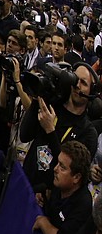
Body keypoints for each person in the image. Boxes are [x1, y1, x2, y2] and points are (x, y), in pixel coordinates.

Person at [19, 62, 99, 194]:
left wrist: (50, 130)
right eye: (75, 79)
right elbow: (25, 135)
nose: (77, 85)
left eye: (83, 83)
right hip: (24, 181)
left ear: (91, 92)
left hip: (46, 199)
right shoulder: (53, 105)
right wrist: (39, 97)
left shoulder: (88, 133)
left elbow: (72, 172)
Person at [33, 140, 93, 234]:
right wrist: (43, 200)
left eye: (62, 167)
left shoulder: (83, 205)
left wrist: (43, 222)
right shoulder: (59, 185)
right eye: (57, 163)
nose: (55, 169)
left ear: (76, 177)